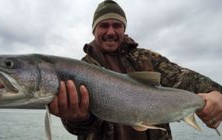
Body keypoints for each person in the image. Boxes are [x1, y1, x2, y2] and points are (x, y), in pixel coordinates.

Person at [49, 0, 222, 139]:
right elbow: (76, 128)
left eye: (117, 25)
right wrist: (79, 120)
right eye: (104, 25)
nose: (110, 31)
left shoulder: (148, 59)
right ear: (94, 30)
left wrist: (215, 92)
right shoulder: (77, 71)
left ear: (124, 29)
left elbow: (184, 78)